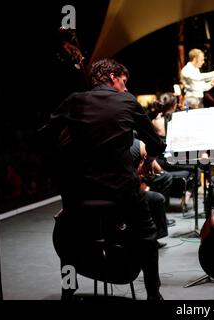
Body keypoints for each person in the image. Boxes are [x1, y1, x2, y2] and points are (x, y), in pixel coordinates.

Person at [44, 58, 166, 300]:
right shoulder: (127, 101)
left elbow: (45, 136)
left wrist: (64, 150)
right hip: (122, 195)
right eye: (123, 81)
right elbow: (156, 143)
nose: (126, 88)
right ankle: (154, 294)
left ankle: (68, 292)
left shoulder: (74, 101)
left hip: (81, 196)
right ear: (112, 77)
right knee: (148, 238)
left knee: (67, 240)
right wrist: (146, 159)